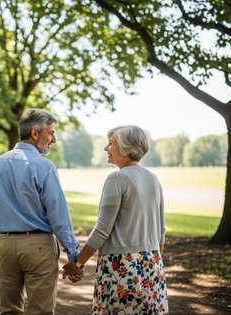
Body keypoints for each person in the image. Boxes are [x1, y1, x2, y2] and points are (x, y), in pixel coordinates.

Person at [63, 125, 168, 314]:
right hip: (153, 265)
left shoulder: (117, 179)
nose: (106, 148)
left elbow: (102, 230)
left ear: (126, 149)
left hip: (121, 267)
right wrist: (154, 262)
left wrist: (77, 263)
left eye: (110, 143)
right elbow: (161, 231)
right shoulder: (153, 179)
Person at [0, 108, 80, 315]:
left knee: (7, 310)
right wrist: (73, 254)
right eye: (51, 133)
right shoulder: (44, 167)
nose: (53, 139)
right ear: (35, 133)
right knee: (40, 311)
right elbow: (58, 215)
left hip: (5, 245)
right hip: (38, 247)